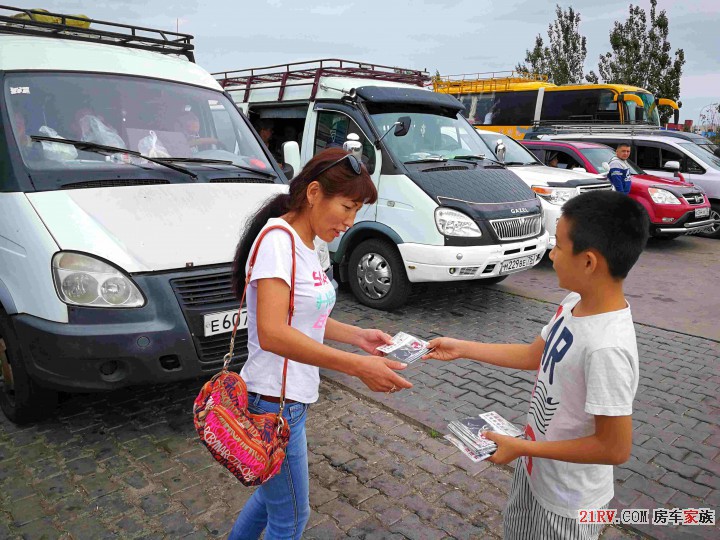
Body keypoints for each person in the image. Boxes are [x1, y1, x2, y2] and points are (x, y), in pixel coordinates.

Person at [424, 190, 649, 540]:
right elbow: (534, 356)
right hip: (535, 472)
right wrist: (463, 348)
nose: (551, 253)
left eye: (558, 245)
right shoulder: (576, 299)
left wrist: (524, 447)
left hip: (568, 504)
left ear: (589, 262)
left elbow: (614, 448)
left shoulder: (608, 347)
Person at [228, 148, 412, 540]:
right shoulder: (278, 242)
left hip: (291, 399)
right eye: (347, 207)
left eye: (357, 211)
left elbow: (308, 316)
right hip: (272, 402)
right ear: (313, 193)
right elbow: (273, 332)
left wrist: (358, 337)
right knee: (291, 517)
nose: (350, 221)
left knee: (271, 500)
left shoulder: (307, 242)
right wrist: (356, 366)